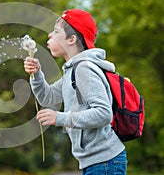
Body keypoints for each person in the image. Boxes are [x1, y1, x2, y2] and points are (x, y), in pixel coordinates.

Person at [24, 9, 127, 174]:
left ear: (71, 39)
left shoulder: (84, 69)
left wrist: (60, 118)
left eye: (56, 31)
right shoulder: (72, 71)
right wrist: (36, 75)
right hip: (97, 162)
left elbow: (103, 113)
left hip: (105, 162)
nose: (50, 35)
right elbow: (47, 97)